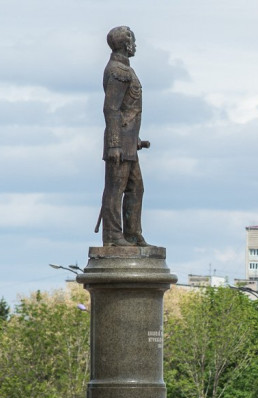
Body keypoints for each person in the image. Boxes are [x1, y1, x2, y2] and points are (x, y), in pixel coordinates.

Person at [98, 26, 151, 247]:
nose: (135, 45)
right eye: (133, 41)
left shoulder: (127, 70)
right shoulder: (117, 71)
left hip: (129, 143)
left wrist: (135, 139)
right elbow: (111, 109)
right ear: (125, 44)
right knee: (115, 189)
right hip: (119, 144)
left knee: (136, 188)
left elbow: (129, 110)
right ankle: (113, 235)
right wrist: (114, 145)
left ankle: (132, 234)